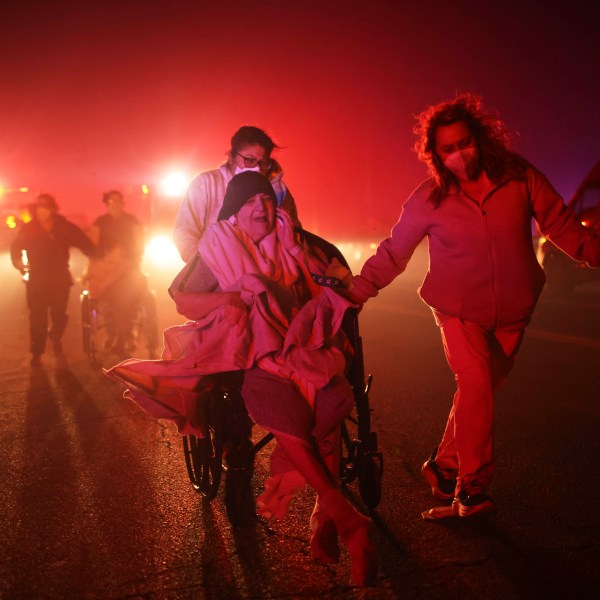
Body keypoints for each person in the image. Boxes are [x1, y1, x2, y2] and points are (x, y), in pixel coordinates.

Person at [105, 172, 377, 586]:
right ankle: (339, 514)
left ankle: (329, 514)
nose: (261, 209)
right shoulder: (217, 246)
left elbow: (338, 282)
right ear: (234, 209)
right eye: (250, 202)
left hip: (306, 347)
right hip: (253, 355)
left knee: (331, 395)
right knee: (273, 399)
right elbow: (183, 299)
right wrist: (241, 294)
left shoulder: (298, 242)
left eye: (267, 201)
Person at [349, 94, 600, 519]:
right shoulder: (429, 197)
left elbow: (561, 225)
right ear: (435, 155)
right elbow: (394, 252)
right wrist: (355, 292)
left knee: (478, 394)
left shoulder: (521, 177)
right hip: (456, 308)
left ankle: (444, 467)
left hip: (515, 310)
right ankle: (471, 490)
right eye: (446, 149)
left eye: (464, 143)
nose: (458, 155)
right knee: (477, 384)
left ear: (481, 139)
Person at [173, 125, 301, 262]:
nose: (256, 168)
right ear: (231, 157)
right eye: (249, 160)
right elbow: (185, 233)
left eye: (263, 163)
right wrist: (208, 268)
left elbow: (296, 234)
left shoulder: (279, 192)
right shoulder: (206, 184)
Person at [10, 193, 95, 365]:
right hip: (37, 279)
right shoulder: (28, 228)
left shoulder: (63, 226)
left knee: (60, 315)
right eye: (39, 208)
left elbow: (83, 242)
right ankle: (37, 352)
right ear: (35, 210)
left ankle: (56, 335)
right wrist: (19, 264)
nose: (42, 211)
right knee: (37, 316)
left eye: (46, 208)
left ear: (52, 209)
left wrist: (97, 254)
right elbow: (16, 249)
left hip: (60, 278)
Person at [85, 190, 146, 353]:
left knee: (130, 300)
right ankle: (114, 334)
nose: (116, 205)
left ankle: (127, 336)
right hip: (107, 269)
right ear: (107, 204)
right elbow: (94, 245)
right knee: (108, 302)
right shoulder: (100, 222)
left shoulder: (132, 221)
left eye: (119, 201)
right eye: (112, 202)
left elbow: (140, 243)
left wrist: (131, 258)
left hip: (128, 267)